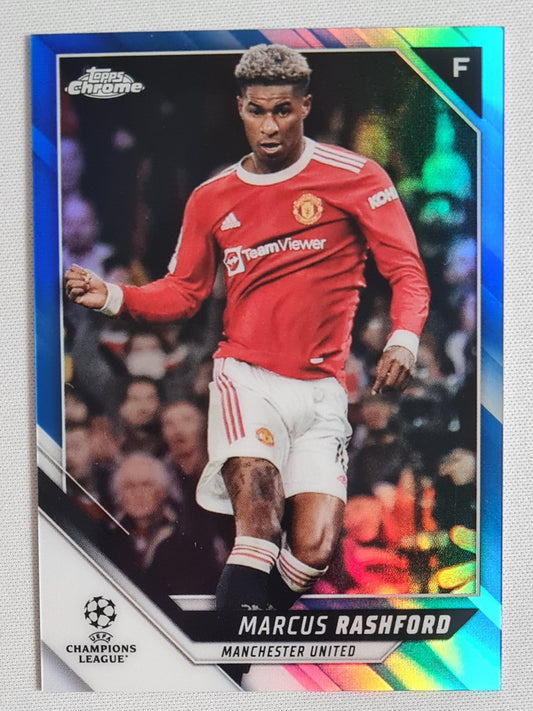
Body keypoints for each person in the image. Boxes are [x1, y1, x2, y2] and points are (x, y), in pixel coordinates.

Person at [65, 44, 429, 614]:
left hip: (324, 388)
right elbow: (183, 291)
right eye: (257, 110)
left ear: (305, 106)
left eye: (283, 110)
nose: (270, 125)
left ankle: (242, 634)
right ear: (240, 107)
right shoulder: (211, 198)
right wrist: (114, 295)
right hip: (247, 379)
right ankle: (229, 647)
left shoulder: (357, 176)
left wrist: (403, 338)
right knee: (258, 521)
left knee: (312, 551)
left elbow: (407, 270)